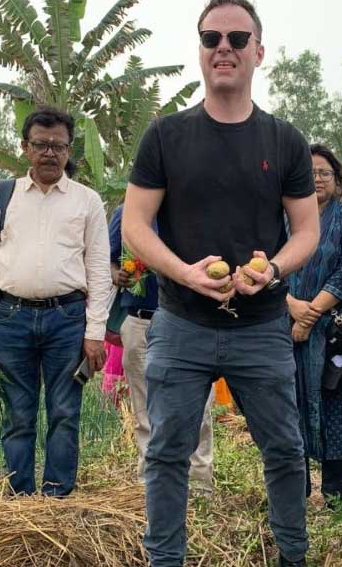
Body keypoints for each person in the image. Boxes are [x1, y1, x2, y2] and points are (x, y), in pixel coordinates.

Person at [122, 0, 320, 567]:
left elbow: (305, 229)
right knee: (166, 451)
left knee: (284, 449)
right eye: (212, 39)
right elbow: (136, 223)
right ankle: (165, 559)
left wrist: (274, 270)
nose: (224, 49)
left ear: (260, 51)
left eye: (237, 39)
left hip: (260, 326)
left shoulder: (283, 139)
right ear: (201, 50)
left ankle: (292, 555)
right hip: (181, 322)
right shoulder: (166, 136)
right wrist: (183, 271)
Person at [0, 108, 110, 497]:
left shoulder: (87, 201)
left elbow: (98, 268)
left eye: (58, 146)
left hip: (67, 318)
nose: (50, 153)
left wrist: (95, 333)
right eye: (41, 145)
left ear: (69, 149)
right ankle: (20, 496)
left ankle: (57, 495)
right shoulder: (3, 195)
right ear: (25, 147)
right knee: (17, 413)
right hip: (12, 318)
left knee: (65, 413)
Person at [0, 160, 80, 490]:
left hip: (55, 320)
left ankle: (53, 493)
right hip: (5, 319)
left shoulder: (76, 209)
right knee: (3, 406)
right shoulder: (7, 202)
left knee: (58, 409)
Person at [108, 204, 215, 492]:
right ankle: (150, 480)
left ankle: (199, 481)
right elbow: (109, 259)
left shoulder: (200, 209)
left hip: (191, 321)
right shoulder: (128, 213)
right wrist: (117, 274)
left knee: (198, 405)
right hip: (141, 320)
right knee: (144, 407)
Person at [286, 144, 342, 506]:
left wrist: (310, 315)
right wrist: (291, 306)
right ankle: (295, 494)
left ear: (337, 181)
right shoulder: (283, 218)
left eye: (324, 173)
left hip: (334, 329)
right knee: (289, 407)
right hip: (285, 324)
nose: (317, 178)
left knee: (336, 404)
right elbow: (270, 268)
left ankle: (336, 496)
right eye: (310, 172)